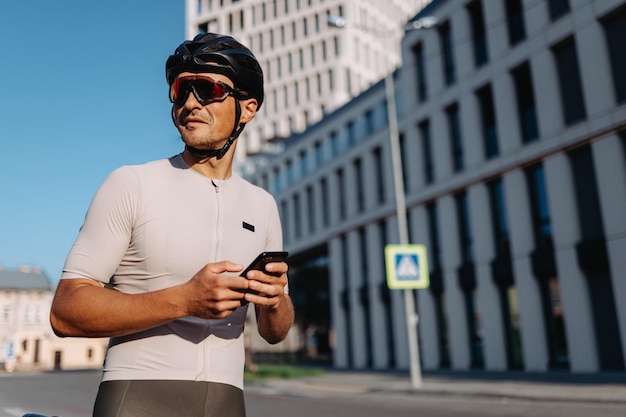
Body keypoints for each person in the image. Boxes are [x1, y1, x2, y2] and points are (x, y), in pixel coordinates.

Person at [50, 32, 294, 417]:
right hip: (137, 395)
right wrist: (185, 299)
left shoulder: (262, 205)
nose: (190, 103)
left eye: (208, 89)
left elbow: (274, 331)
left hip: (228, 402)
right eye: (181, 90)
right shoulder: (131, 183)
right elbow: (65, 311)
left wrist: (277, 299)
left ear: (247, 108)